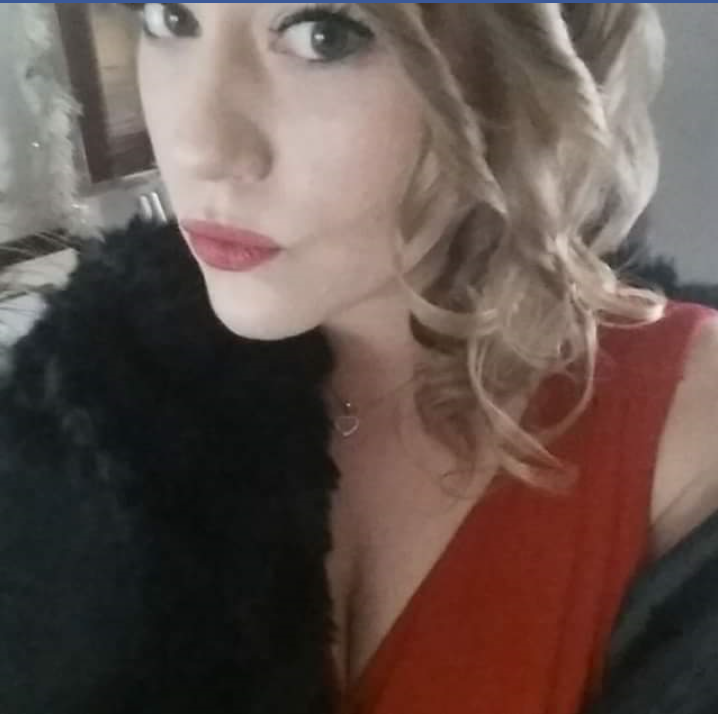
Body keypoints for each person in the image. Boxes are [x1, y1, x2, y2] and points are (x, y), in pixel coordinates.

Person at [1, 4, 717, 713]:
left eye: (325, 36)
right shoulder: (88, 399)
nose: (199, 149)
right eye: (170, 18)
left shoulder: (687, 430)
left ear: (527, 66)